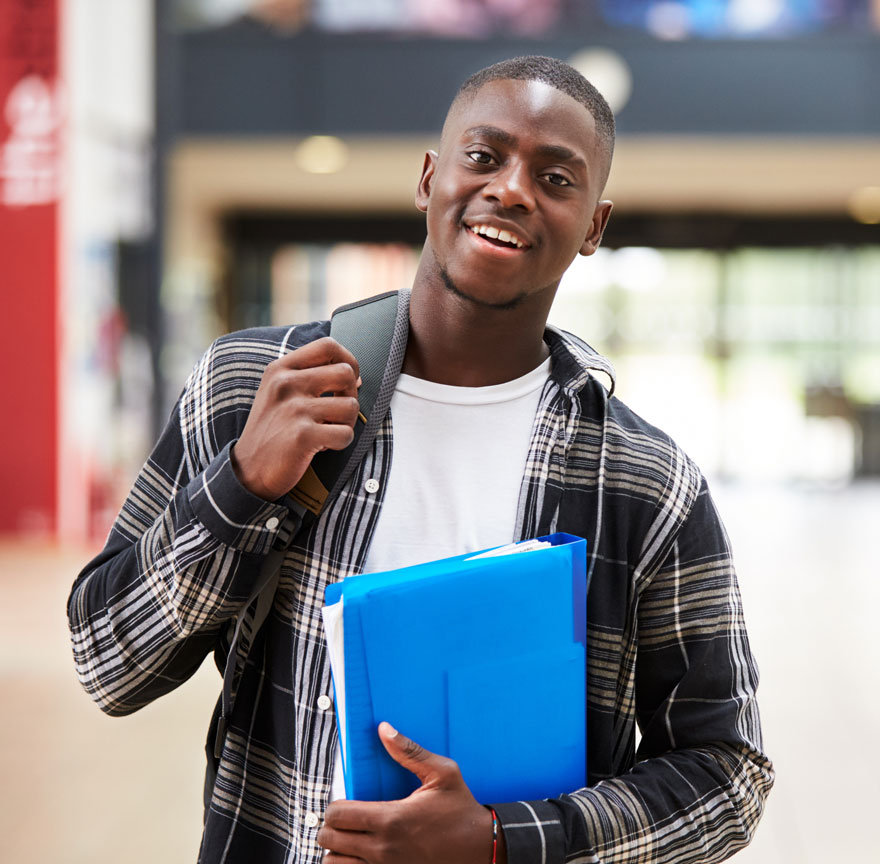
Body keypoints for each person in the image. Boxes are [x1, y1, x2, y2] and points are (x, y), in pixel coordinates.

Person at [68, 55, 773, 864]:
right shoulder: (255, 386)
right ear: (429, 179)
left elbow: (728, 777)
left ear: (594, 228)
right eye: (484, 156)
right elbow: (108, 664)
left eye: (555, 177)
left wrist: (503, 841)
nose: (511, 188)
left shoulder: (647, 484)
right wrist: (243, 485)